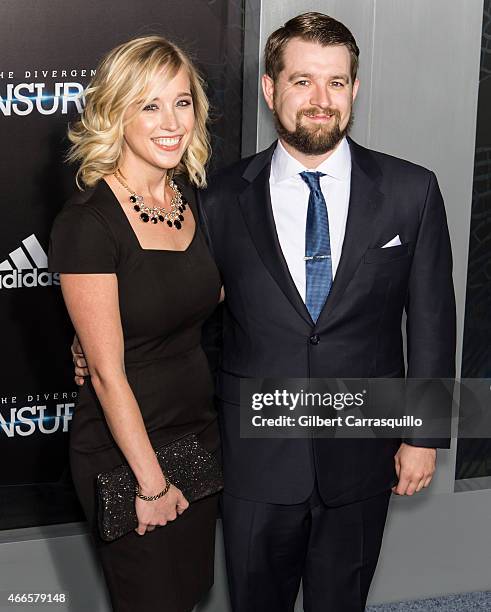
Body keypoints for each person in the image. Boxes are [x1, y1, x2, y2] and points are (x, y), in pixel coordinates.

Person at [73, 12, 456, 612]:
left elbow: (434, 318)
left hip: (363, 448)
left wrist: (424, 435)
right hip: (252, 454)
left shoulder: (413, 190)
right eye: (303, 81)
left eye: (336, 82)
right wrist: (88, 343)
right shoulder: (218, 198)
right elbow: (173, 290)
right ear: (271, 89)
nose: (320, 99)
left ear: (355, 88)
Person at [49, 36, 222, 612]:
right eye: (149, 105)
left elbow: (197, 294)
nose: (171, 121)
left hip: (194, 432)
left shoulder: (190, 199)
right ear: (115, 113)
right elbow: (106, 375)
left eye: (182, 102)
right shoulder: (88, 223)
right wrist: (150, 484)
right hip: (126, 451)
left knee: (190, 592)